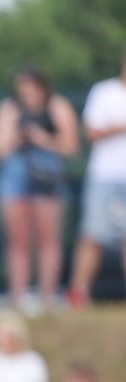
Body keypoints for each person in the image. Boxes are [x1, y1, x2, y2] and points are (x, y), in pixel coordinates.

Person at [0, 69, 77, 317]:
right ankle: (17, 297)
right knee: (17, 241)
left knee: (48, 239)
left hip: (47, 176)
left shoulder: (57, 106)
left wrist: (43, 139)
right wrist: (17, 137)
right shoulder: (9, 109)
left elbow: (70, 146)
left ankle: (47, 298)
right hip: (14, 176)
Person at [70, 52, 126, 310]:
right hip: (104, 177)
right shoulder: (104, 92)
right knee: (93, 235)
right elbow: (91, 132)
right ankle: (79, 296)